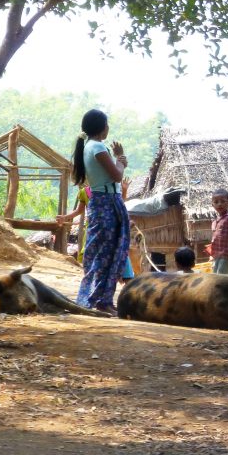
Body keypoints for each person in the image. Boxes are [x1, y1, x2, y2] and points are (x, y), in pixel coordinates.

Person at [70, 108, 130, 314]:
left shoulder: (88, 146)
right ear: (103, 127)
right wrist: (120, 159)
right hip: (107, 202)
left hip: (100, 202)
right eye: (107, 124)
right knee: (108, 252)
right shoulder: (98, 147)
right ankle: (101, 300)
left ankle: (95, 297)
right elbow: (117, 176)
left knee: (99, 251)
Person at [204, 188, 228, 274]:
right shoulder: (216, 221)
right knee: (216, 275)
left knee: (222, 277)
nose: (219, 204)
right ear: (212, 205)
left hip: (226, 254)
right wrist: (212, 253)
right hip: (217, 254)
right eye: (216, 202)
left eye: (223, 201)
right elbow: (216, 238)